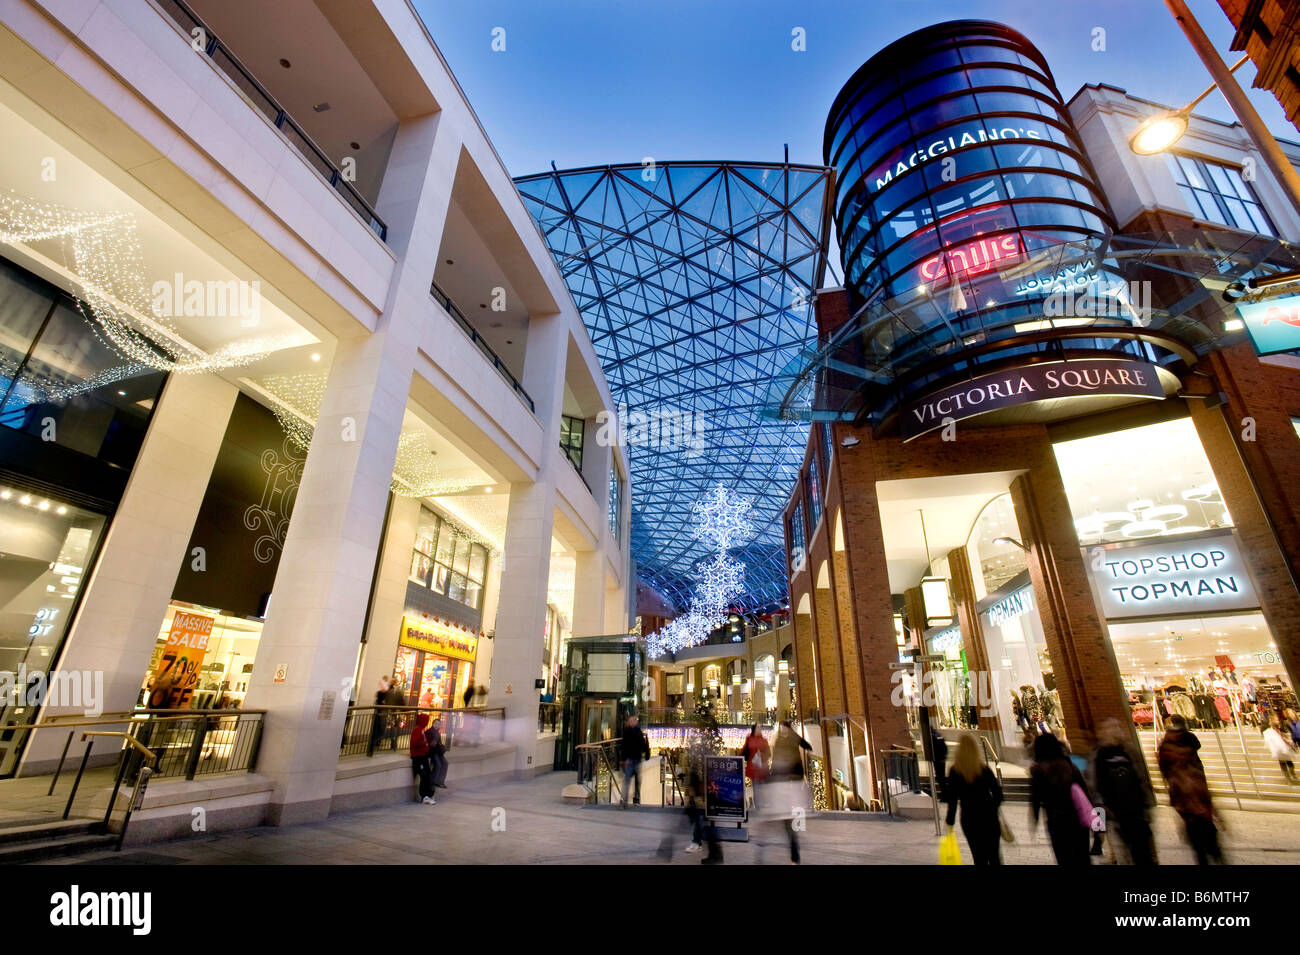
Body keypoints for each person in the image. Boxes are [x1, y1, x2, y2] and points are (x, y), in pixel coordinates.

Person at [1157, 715, 1223, 864]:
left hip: (1186, 801)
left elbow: (1164, 770)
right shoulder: (1187, 744)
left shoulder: (1165, 747)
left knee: (1199, 844)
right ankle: (1213, 853)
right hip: (1195, 797)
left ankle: (1207, 853)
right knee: (1210, 841)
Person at [1090, 717, 1157, 865]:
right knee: (1126, 853)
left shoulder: (1129, 751)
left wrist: (1148, 805)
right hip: (1117, 815)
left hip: (1138, 812)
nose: (1115, 730)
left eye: (1117, 726)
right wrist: (1101, 816)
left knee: (1145, 854)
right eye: (1111, 727)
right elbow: (1095, 787)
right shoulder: (1099, 755)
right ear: (1102, 732)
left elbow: (1142, 778)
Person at [1029, 732, 1092, 865]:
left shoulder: (1038, 770)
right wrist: (1098, 823)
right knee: (1083, 858)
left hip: (1057, 822)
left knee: (1064, 859)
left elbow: (1035, 799)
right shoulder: (1070, 766)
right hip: (1078, 821)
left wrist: (1034, 821)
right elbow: (1086, 796)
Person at [944, 733, 1003, 864]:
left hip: (969, 818)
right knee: (994, 857)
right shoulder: (984, 769)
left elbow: (952, 800)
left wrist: (950, 821)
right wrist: (992, 809)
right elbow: (998, 794)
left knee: (978, 857)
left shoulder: (955, 771)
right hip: (989, 818)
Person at [765, 721, 812, 864]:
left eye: (784, 728)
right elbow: (775, 759)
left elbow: (805, 744)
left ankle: (795, 851)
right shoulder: (779, 740)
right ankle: (792, 836)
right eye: (782, 728)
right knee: (787, 817)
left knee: (793, 814)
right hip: (784, 781)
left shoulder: (793, 737)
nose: (783, 730)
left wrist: (809, 748)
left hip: (793, 780)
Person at [618, 714, 650, 807]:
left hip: (637, 759)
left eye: (633, 721)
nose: (632, 722)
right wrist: (623, 759)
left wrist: (646, 753)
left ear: (636, 722)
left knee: (637, 780)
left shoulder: (638, 731)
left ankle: (636, 799)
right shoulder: (627, 732)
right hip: (629, 760)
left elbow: (643, 744)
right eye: (630, 721)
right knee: (627, 780)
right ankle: (624, 800)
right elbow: (624, 746)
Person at [741, 723, 770, 806]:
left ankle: (762, 803)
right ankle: (758, 804)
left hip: (762, 767)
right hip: (753, 767)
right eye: (757, 727)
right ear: (754, 729)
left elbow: (768, 753)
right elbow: (744, 751)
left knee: (762, 787)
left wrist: (762, 756)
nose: (759, 729)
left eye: (760, 728)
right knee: (756, 786)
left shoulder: (764, 740)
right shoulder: (749, 739)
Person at [1263, 716, 1299, 783]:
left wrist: (1288, 741)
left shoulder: (1279, 728)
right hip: (1279, 749)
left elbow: (1283, 736)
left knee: (1288, 762)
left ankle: (1292, 775)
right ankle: (1289, 778)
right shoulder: (1271, 731)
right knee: (1284, 763)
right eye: (1276, 720)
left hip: (1283, 748)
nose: (1278, 721)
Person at [409, 713, 435, 805]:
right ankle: (423, 796)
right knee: (424, 776)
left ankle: (427, 795)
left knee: (428, 775)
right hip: (418, 757)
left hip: (423, 756)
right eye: (426, 721)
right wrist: (425, 744)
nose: (427, 722)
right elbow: (414, 743)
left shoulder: (422, 730)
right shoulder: (417, 730)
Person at [428, 717, 449, 790]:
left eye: (439, 724)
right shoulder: (429, 731)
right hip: (432, 752)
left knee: (445, 763)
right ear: (433, 724)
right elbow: (431, 745)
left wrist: (442, 747)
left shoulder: (437, 733)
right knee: (438, 765)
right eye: (436, 724)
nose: (437, 725)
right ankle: (432, 782)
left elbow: (438, 743)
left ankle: (440, 782)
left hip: (438, 752)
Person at [930, 728, 949, 799]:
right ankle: (945, 794)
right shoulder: (938, 735)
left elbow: (934, 748)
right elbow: (944, 747)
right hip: (942, 759)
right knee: (942, 778)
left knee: (940, 778)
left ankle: (945, 795)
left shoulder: (932, 737)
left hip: (938, 759)